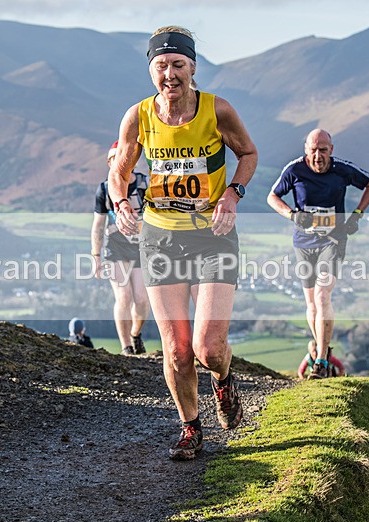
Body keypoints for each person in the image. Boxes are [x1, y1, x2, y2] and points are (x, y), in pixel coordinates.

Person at [108, 26, 257, 461]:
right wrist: (120, 202)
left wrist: (232, 193)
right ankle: (191, 428)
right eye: (161, 66)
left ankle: (224, 381)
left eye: (178, 65)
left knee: (208, 348)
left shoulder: (217, 110)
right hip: (160, 238)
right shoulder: (139, 116)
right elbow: (120, 169)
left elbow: (248, 154)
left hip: (213, 235)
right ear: (151, 71)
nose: (170, 74)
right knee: (175, 348)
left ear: (193, 68)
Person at [268, 129, 369, 378]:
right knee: (311, 304)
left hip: (333, 240)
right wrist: (292, 215)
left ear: (331, 150)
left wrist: (357, 214)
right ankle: (322, 348)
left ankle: (320, 360)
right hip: (304, 243)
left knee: (321, 296)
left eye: (323, 150)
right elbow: (272, 197)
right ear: (306, 149)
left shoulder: (342, 169)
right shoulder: (294, 170)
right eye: (313, 150)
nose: (318, 156)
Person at [91, 141, 151, 356]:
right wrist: (96, 256)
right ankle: (126, 347)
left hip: (142, 248)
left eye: (123, 157)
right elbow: (98, 226)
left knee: (142, 300)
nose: (118, 162)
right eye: (113, 159)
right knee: (123, 297)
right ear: (109, 162)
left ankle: (135, 334)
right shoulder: (105, 189)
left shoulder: (144, 184)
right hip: (115, 248)